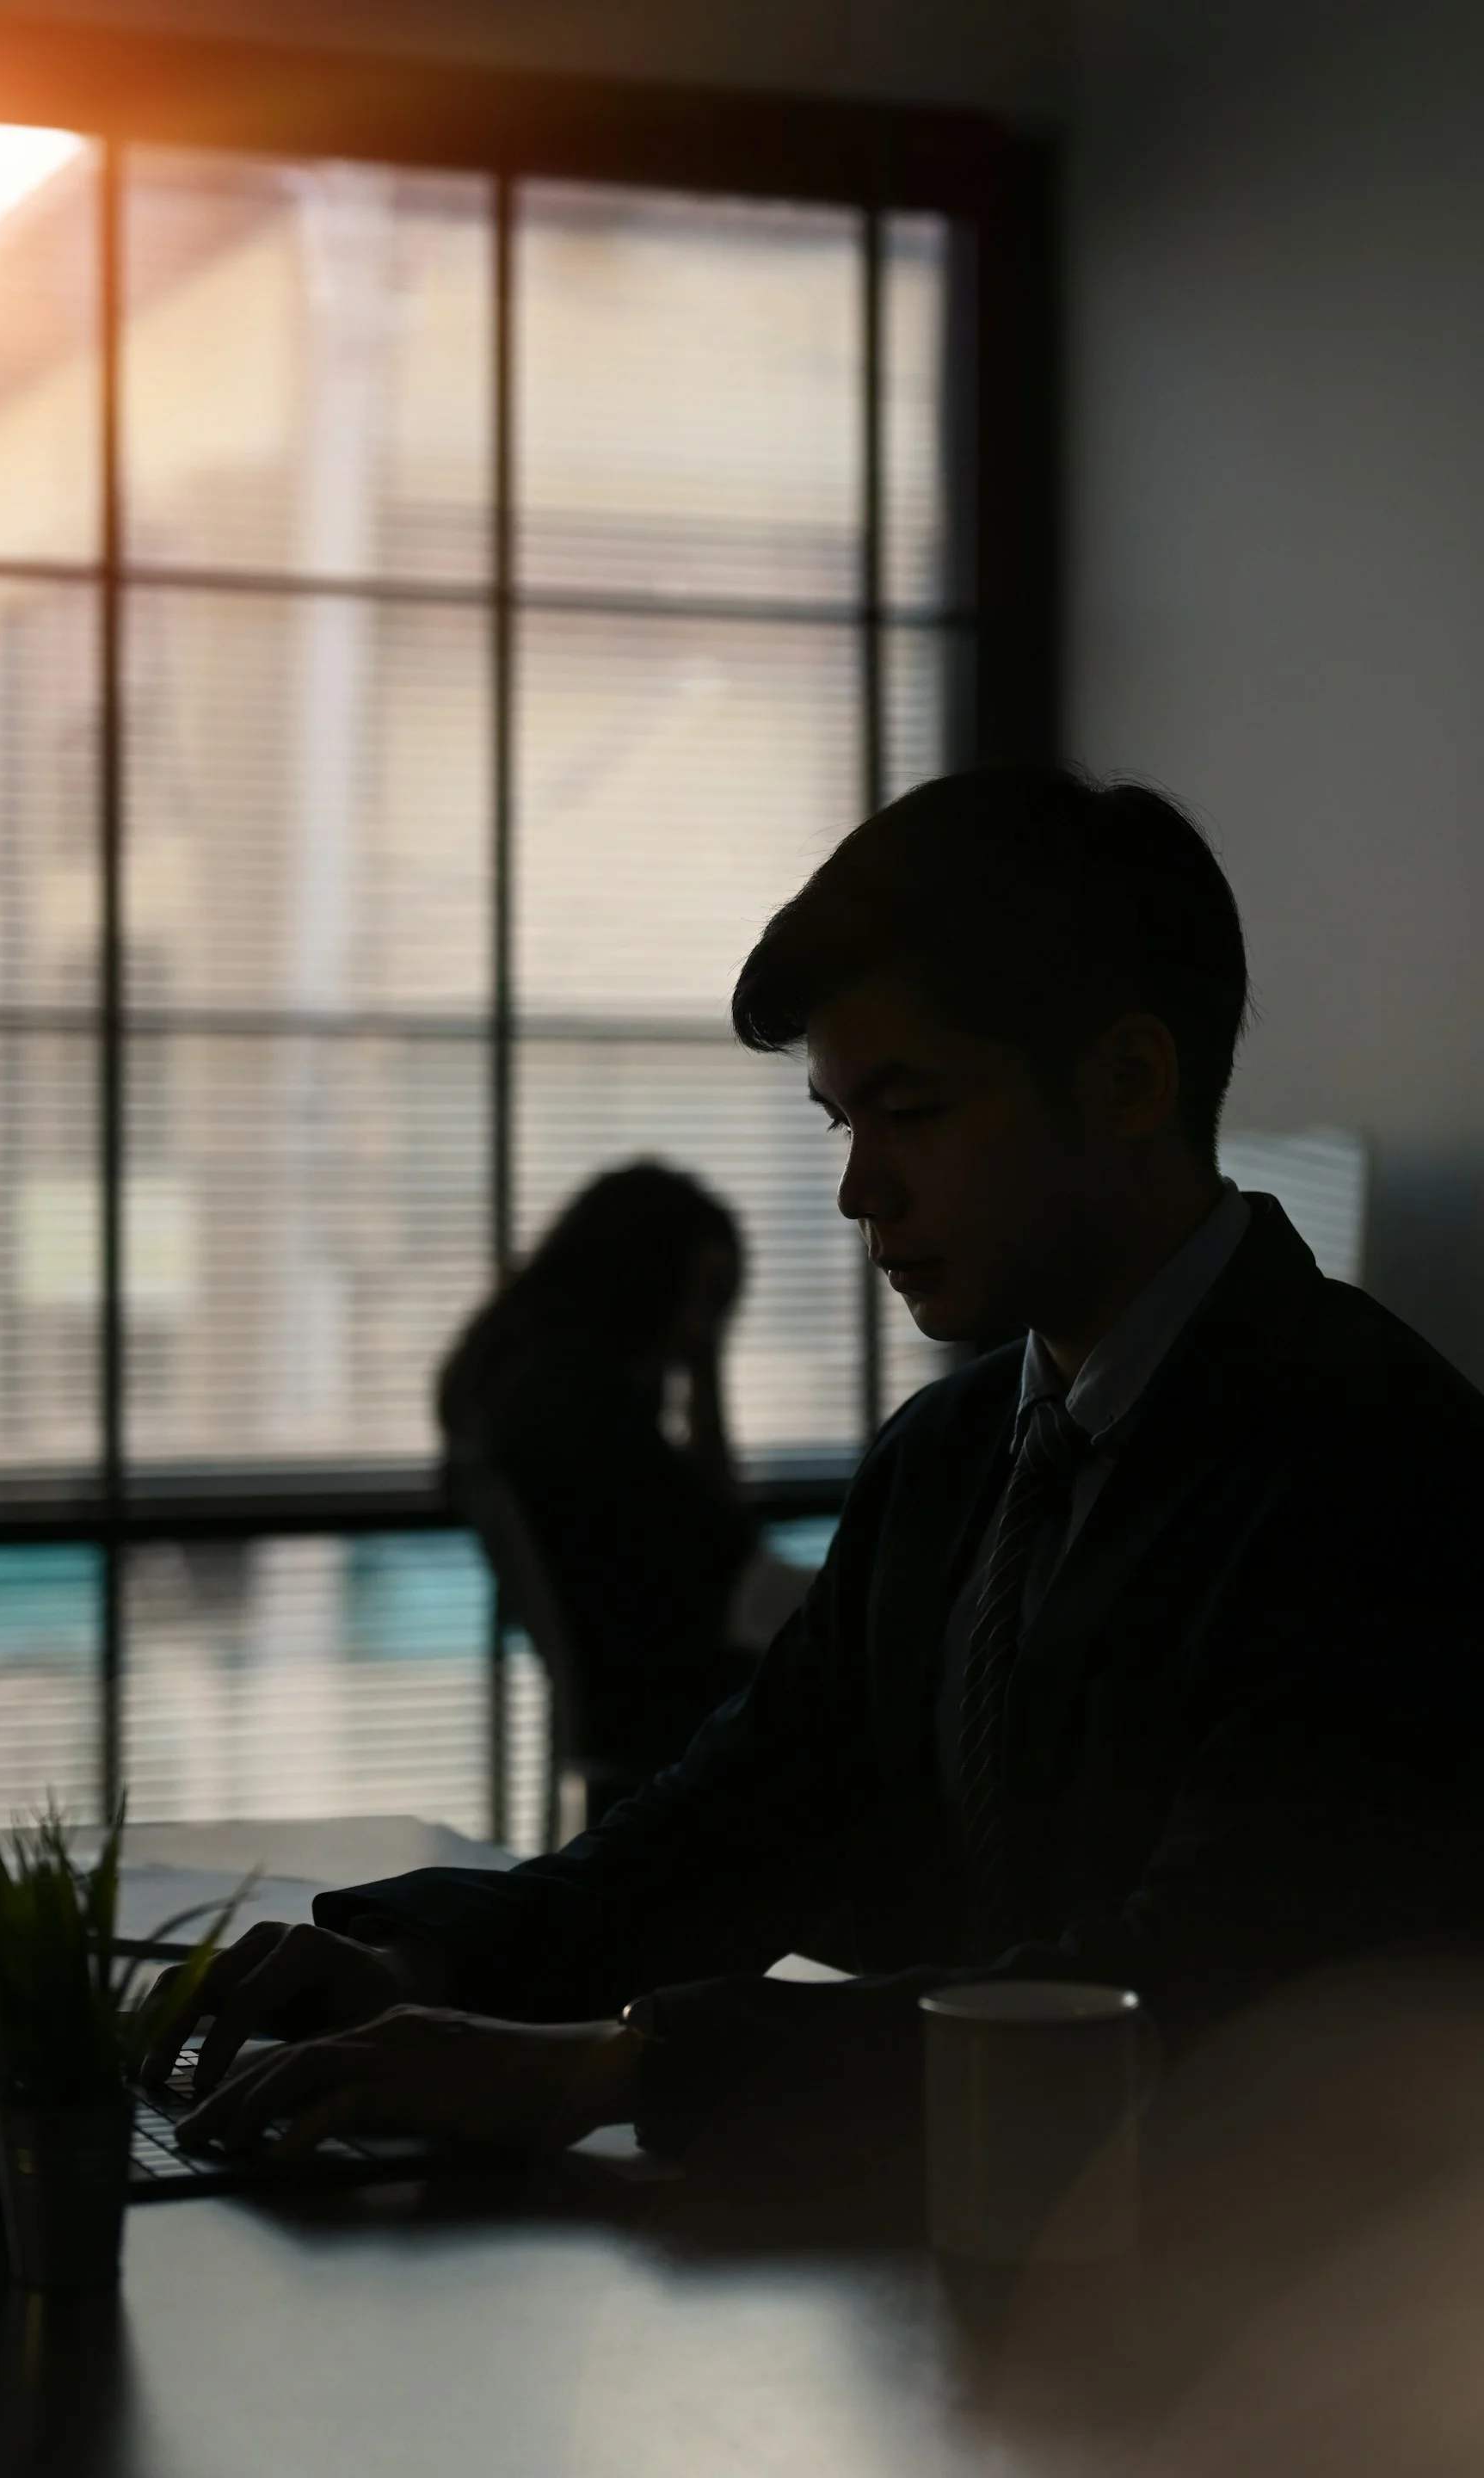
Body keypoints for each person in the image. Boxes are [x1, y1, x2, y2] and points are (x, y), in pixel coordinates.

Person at [145, 765, 1484, 2187]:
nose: (861, 1192)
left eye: (912, 1112)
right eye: (846, 1124)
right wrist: (415, 1951)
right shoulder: (952, 1458)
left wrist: (609, 2070)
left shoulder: (1378, 1463)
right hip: (968, 2284)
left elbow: (1193, 1982)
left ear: (1130, 1082)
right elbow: (739, 1817)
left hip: (1282, 2320)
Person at [438, 1162, 812, 1797]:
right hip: (684, 1717)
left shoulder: (527, 1390)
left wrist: (703, 1370)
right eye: (702, 1299)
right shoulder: (581, 1408)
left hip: (633, 1720)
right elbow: (731, 1568)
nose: (702, 1330)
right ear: (644, 1277)